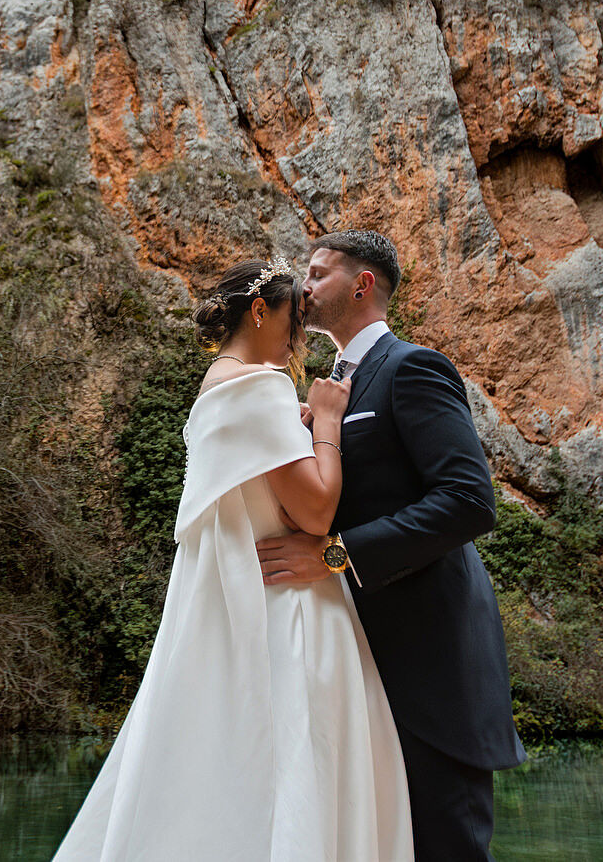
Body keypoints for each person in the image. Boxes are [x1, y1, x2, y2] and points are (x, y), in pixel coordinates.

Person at [53, 256, 413, 862]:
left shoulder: (214, 391)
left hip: (239, 607)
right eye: (293, 320)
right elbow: (318, 512)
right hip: (293, 611)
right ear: (257, 311)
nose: (299, 337)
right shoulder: (259, 386)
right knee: (306, 780)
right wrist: (325, 419)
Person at [257, 230, 527, 862]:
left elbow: (468, 501)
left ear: (363, 284)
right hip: (356, 666)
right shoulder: (337, 386)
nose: (305, 286)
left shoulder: (413, 367)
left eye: (319, 274)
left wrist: (334, 555)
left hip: (428, 667)